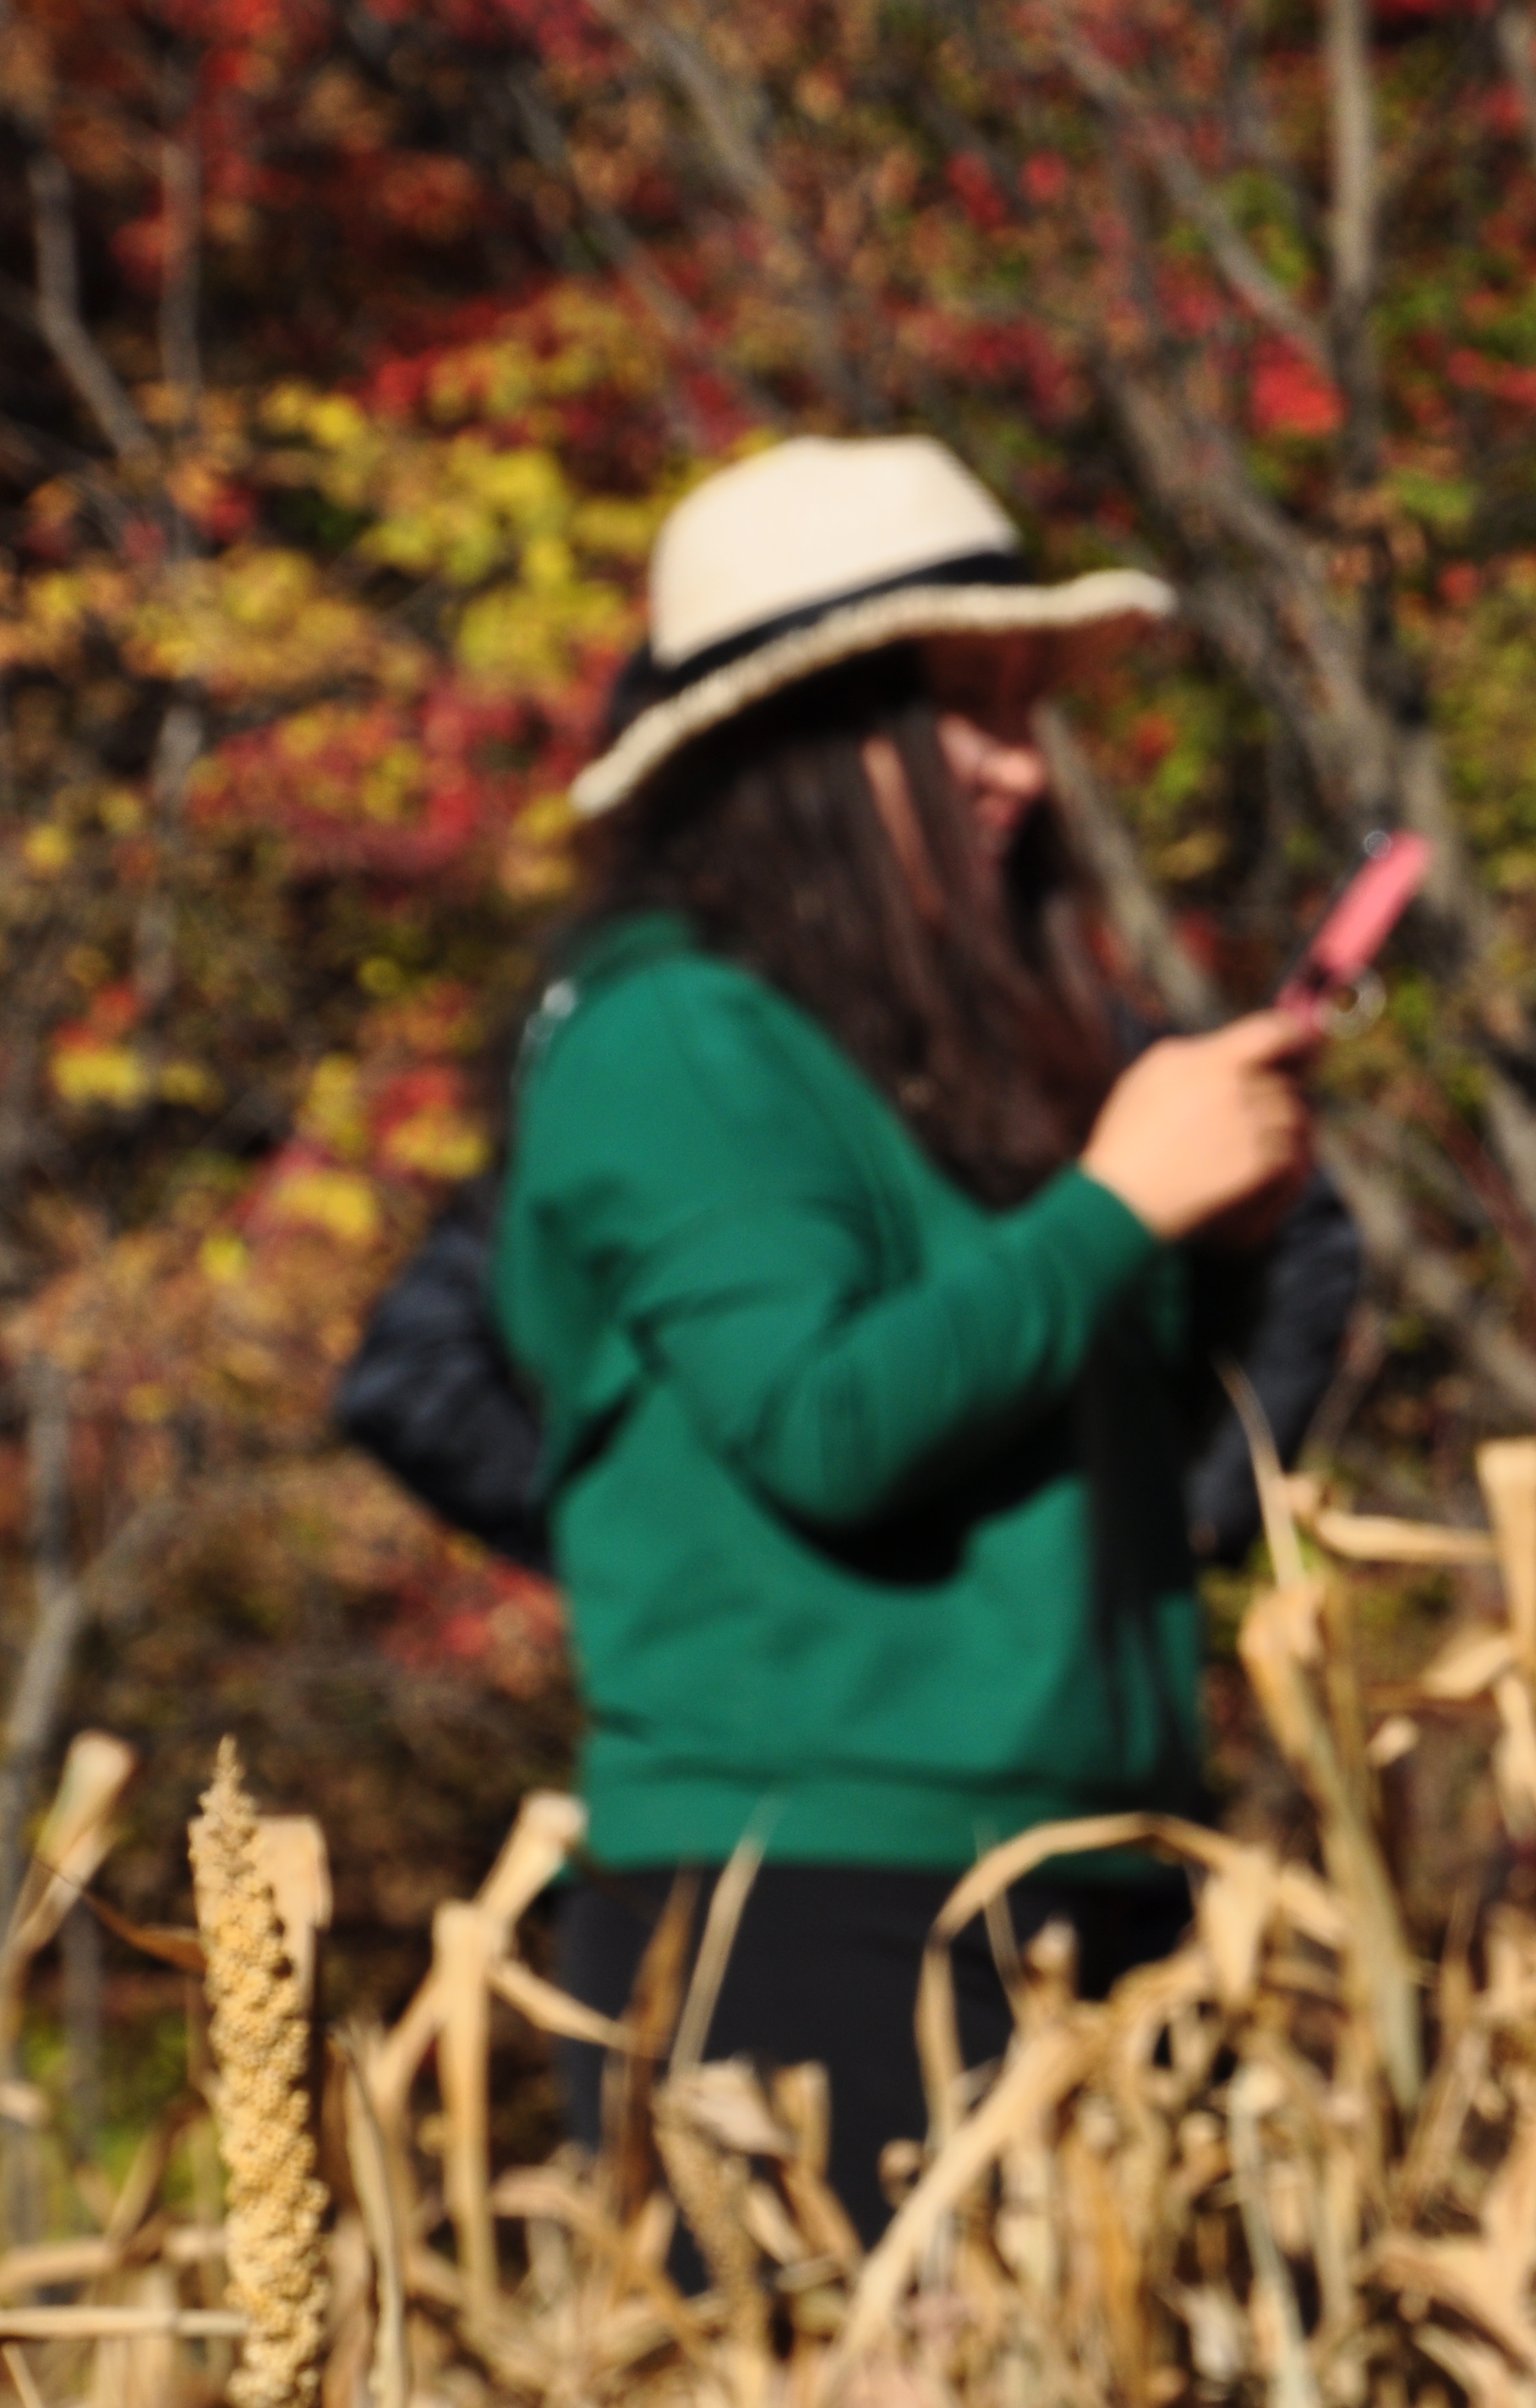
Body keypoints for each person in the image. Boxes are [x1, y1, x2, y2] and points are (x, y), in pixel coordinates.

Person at [498, 435, 1315, 2236]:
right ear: (794, 744)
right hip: (809, 1898)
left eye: (1028, 705)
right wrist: (1120, 1206)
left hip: (1084, 1854)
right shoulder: (674, 1039)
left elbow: (1113, 1457)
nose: (1023, 766)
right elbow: (825, 1425)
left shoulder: (970, 1034)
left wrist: (1217, 1246)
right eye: (965, 709)